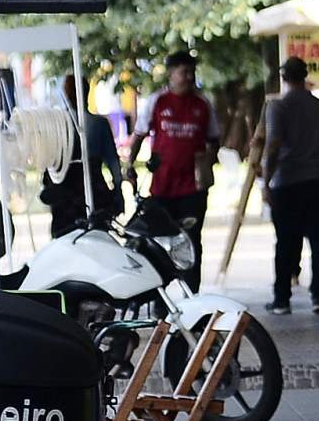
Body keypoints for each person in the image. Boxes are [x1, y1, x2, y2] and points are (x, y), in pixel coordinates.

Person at [260, 55, 319, 314]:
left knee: (285, 241)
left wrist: (266, 181)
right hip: (316, 180)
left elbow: (273, 145)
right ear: (305, 75)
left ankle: (282, 300)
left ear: (284, 78)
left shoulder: (277, 108)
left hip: (286, 182)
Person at [129, 52, 220, 287]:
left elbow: (214, 139)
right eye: (184, 72)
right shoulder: (157, 102)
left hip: (193, 189)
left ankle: (192, 294)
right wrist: (130, 166)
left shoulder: (203, 104)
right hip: (162, 187)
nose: (189, 77)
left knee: (191, 241)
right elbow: (139, 135)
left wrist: (207, 162)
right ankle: (161, 297)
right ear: (171, 74)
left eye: (192, 72)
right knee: (159, 241)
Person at [36, 74, 125, 240]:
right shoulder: (98, 124)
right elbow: (113, 163)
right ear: (87, 91)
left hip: (64, 197)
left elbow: (46, 163)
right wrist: (118, 193)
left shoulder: (56, 125)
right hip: (92, 191)